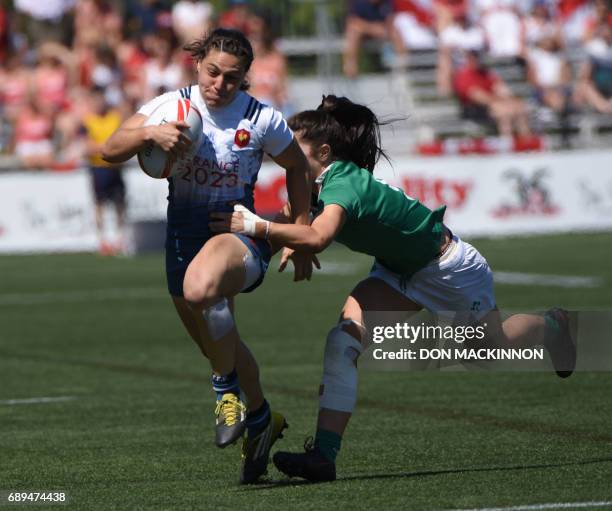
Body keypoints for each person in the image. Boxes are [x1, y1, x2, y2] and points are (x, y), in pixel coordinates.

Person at [210, 95, 577, 482]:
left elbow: (316, 236)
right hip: (396, 272)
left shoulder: (342, 180)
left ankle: (553, 327)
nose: (281, 148)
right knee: (342, 342)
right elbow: (286, 228)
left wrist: (257, 227)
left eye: (292, 141)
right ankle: (323, 457)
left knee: (488, 348)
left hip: (447, 269)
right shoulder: (309, 185)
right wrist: (227, 264)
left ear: (322, 151)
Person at [101, 28, 313, 484]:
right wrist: (148, 134)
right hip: (182, 233)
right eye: (213, 72)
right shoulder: (170, 106)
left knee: (203, 294)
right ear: (198, 64)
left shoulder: (261, 118)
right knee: (220, 345)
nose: (220, 84)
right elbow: (109, 149)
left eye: (232, 78)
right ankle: (261, 422)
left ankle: (224, 393)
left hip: (236, 231)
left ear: (245, 80)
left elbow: (297, 166)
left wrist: (298, 229)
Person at [83, 86, 126, 255]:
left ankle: (120, 238)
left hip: (115, 167)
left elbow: (123, 140)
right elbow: (87, 147)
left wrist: (103, 147)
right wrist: (109, 146)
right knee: (99, 204)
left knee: (119, 204)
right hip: (98, 168)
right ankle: (102, 240)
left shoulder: (115, 118)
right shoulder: (88, 121)